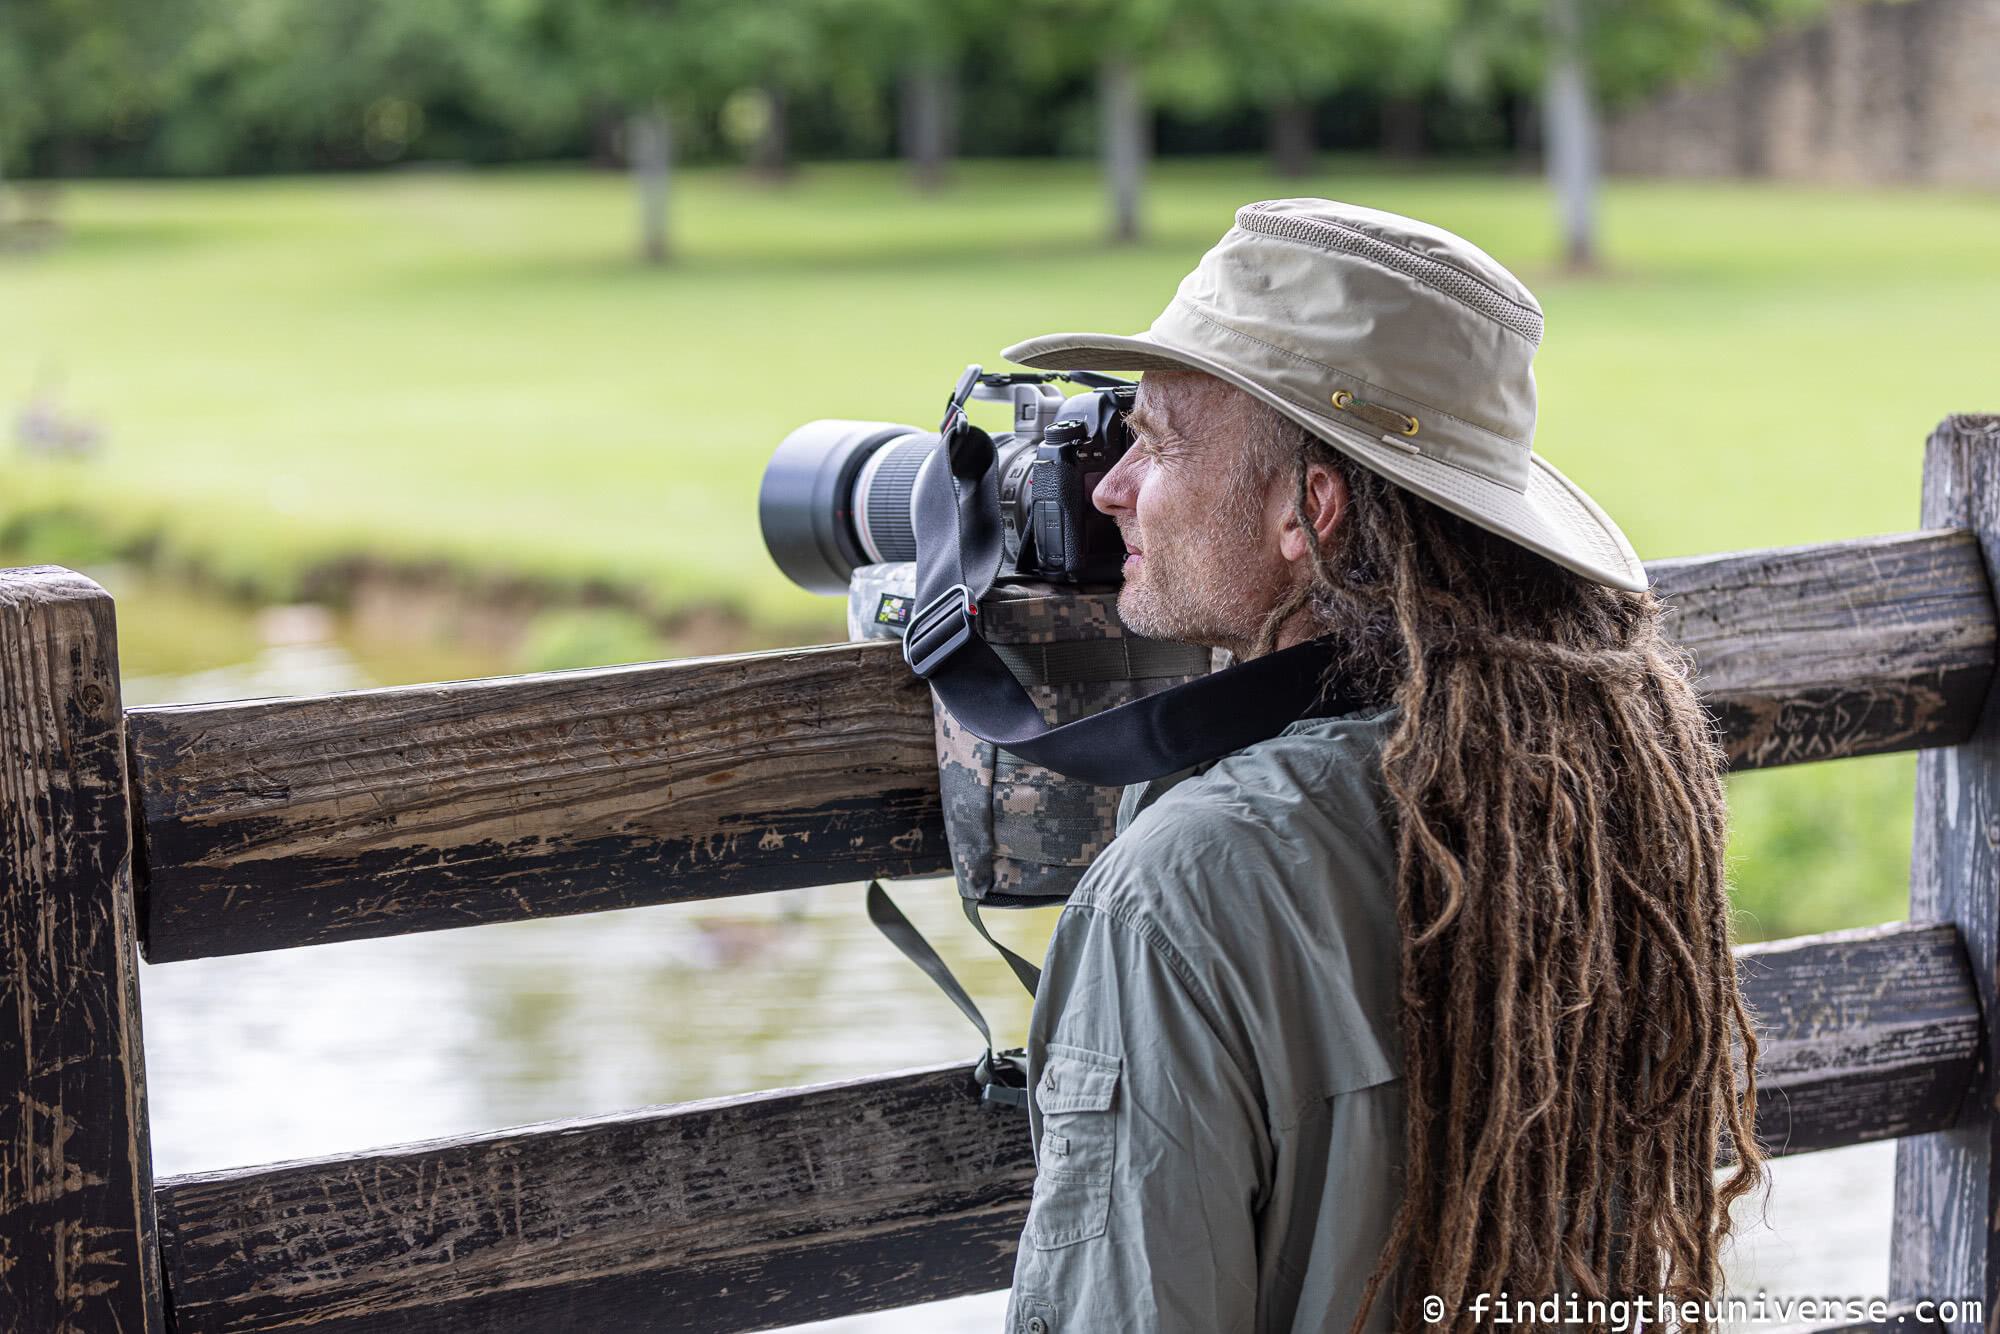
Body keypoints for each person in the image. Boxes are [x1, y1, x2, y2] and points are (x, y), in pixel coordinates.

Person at [996, 198, 1767, 1334]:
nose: (1109, 488)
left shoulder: (1183, 886)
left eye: (1156, 443)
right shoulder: (1583, 776)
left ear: (1309, 509)